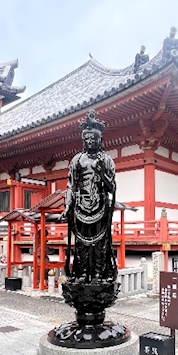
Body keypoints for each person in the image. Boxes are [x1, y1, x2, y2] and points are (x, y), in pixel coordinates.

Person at [62, 109, 117, 282]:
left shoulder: (106, 160)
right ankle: (83, 273)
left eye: (93, 138)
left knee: (100, 243)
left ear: (100, 140)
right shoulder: (77, 160)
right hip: (80, 205)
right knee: (81, 244)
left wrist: (102, 175)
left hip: (100, 205)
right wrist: (67, 206)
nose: (90, 141)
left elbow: (112, 188)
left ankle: (99, 273)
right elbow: (71, 185)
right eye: (87, 139)